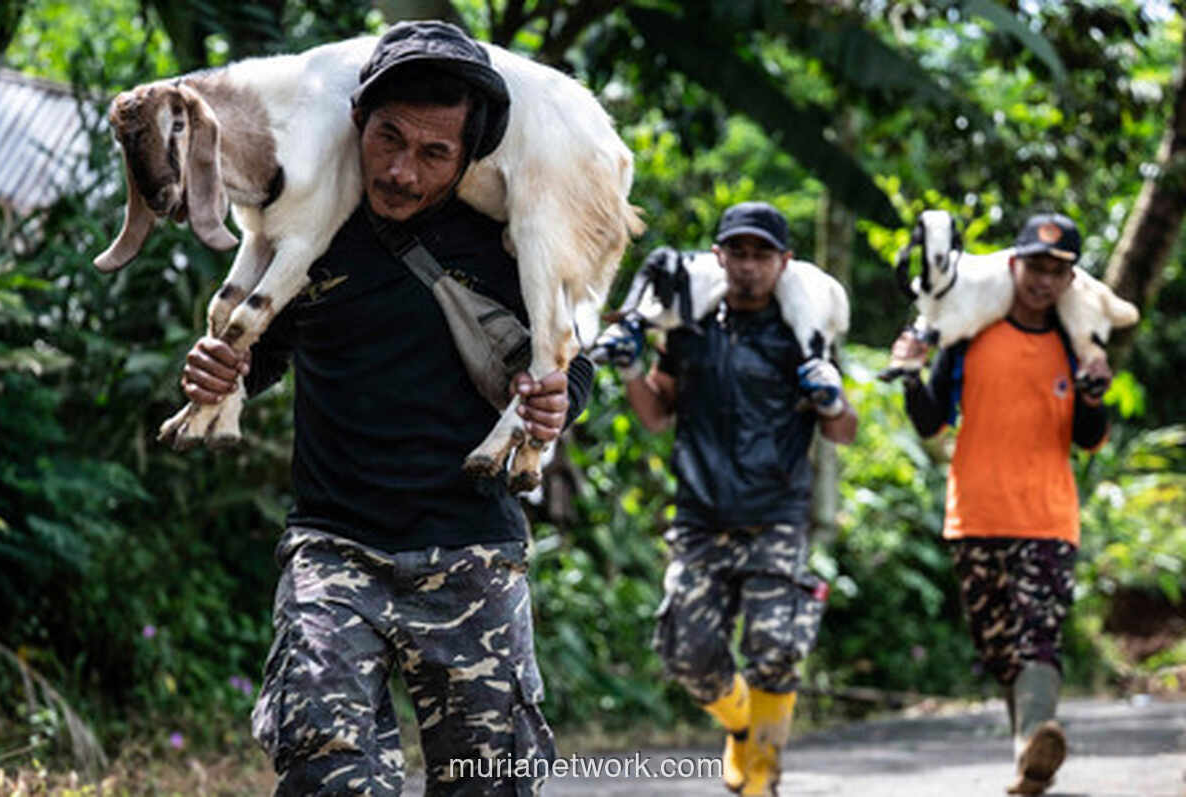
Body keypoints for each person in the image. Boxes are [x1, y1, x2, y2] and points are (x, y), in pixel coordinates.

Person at [178, 21, 595, 795]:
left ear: (468, 157)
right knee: (325, 773)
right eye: (388, 139)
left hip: (471, 553)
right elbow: (259, 353)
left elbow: (570, 362)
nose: (402, 172)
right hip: (334, 550)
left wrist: (555, 400)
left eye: (434, 153)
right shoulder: (310, 223)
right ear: (357, 121)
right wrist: (220, 371)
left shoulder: (509, 239)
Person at [608, 201, 857, 796]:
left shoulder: (803, 334)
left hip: (775, 517)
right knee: (688, 657)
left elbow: (843, 431)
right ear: (718, 257)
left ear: (783, 261)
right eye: (738, 253)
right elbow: (656, 415)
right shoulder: (688, 329)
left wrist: (831, 399)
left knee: (776, 649)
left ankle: (762, 774)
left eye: (761, 255)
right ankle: (742, 725)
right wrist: (630, 371)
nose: (748, 266)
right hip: (700, 518)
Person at [891, 212, 1112, 796]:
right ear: (1013, 266)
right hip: (974, 517)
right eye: (1034, 267)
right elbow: (932, 421)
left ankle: (1033, 741)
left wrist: (1094, 393)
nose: (1042, 281)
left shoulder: (1076, 344)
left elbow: (1090, 437)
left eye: (1056, 271)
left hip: (1047, 520)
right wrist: (911, 374)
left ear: (1070, 280)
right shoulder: (968, 335)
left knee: (1037, 635)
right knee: (998, 649)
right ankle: (1028, 758)